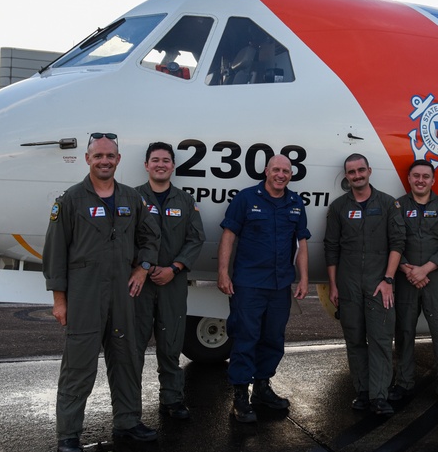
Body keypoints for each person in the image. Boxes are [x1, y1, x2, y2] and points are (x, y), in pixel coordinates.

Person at [44, 132, 161, 452]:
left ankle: (127, 422)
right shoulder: (70, 200)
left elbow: (150, 236)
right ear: (88, 160)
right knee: (78, 368)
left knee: (126, 360)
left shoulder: (131, 199)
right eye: (98, 156)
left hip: (123, 294)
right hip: (85, 295)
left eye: (110, 156)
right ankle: (68, 435)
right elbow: (54, 253)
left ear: (118, 160)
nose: (105, 161)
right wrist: (59, 299)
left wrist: (142, 269)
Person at [218, 155, 310, 423]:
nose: (281, 175)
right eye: (276, 170)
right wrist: (223, 272)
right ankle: (239, 397)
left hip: (280, 285)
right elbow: (228, 235)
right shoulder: (246, 198)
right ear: (266, 171)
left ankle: (262, 388)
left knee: (273, 339)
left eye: (286, 171)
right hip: (249, 284)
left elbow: (301, 242)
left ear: (291, 175)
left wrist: (303, 278)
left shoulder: (295, 203)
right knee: (245, 338)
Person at [324, 154, 406, 416]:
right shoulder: (338, 208)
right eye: (352, 172)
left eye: (361, 170)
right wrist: (334, 286)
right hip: (348, 285)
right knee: (355, 339)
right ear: (346, 176)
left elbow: (397, 244)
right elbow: (332, 248)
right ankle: (362, 392)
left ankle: (380, 395)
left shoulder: (387, 204)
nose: (357, 175)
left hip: (378, 283)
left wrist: (388, 280)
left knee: (381, 340)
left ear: (369, 171)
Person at [134, 142, 205, 420]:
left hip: (172, 282)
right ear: (146, 165)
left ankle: (172, 399)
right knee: (133, 345)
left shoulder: (185, 201)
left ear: (173, 166)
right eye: (155, 160)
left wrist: (174, 268)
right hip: (139, 283)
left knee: (171, 343)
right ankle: (130, 405)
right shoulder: (133, 197)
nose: (160, 164)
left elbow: (195, 238)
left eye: (165, 160)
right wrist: (142, 267)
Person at [392, 160, 438, 409]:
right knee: (404, 333)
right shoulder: (397, 207)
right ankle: (403, 383)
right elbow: (391, 239)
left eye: (426, 176)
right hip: (406, 278)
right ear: (409, 178)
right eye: (416, 176)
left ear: (433, 180)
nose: (420, 180)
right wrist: (406, 268)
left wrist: (425, 269)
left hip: (435, 278)